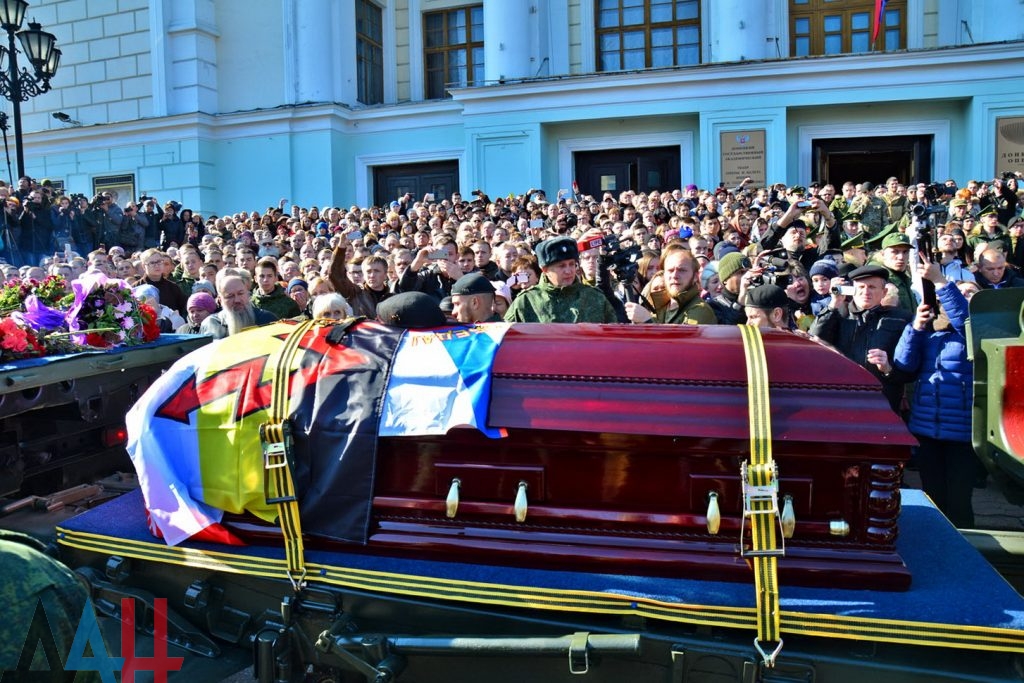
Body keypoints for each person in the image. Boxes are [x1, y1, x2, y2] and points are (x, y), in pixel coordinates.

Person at [893, 259, 975, 527]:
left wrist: (941, 282)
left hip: (962, 433)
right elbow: (904, 364)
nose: (961, 296)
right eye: (957, 292)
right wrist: (915, 328)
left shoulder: (976, 333)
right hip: (927, 430)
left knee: (959, 500)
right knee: (934, 497)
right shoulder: (932, 335)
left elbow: (965, 321)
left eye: (969, 293)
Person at [809, 264, 913, 412]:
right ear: (852, 289)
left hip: (883, 402)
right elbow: (816, 336)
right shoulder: (839, 313)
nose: (866, 292)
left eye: (872, 287)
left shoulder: (901, 319)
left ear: (884, 292)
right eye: (861, 287)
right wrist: (834, 303)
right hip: (843, 400)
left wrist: (888, 368)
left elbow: (910, 369)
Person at [504, 236, 617, 323]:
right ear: (545, 270)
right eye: (561, 266)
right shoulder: (526, 302)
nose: (568, 271)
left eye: (572, 264)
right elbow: (503, 340)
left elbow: (612, 336)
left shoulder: (594, 297)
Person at [626, 244, 717, 325]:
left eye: (682, 270)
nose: (674, 276)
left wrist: (648, 322)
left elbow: (679, 344)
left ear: (695, 276)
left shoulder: (700, 311)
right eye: (670, 270)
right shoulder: (662, 307)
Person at [200, 271, 278, 339]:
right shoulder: (211, 324)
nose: (237, 300)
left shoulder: (267, 320)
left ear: (248, 294)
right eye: (230, 296)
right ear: (220, 300)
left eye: (240, 293)